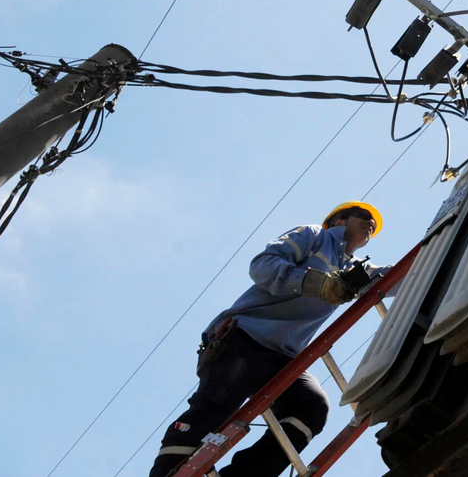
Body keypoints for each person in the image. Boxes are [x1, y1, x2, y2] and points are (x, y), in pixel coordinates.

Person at [149, 201, 387, 477]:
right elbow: (263, 265)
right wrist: (316, 283)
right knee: (213, 410)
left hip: (283, 357)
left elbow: (400, 276)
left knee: (311, 406)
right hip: (246, 337)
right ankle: (168, 473)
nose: (370, 222)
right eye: (363, 215)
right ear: (338, 221)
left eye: (374, 223)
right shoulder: (313, 236)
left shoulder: (356, 271)